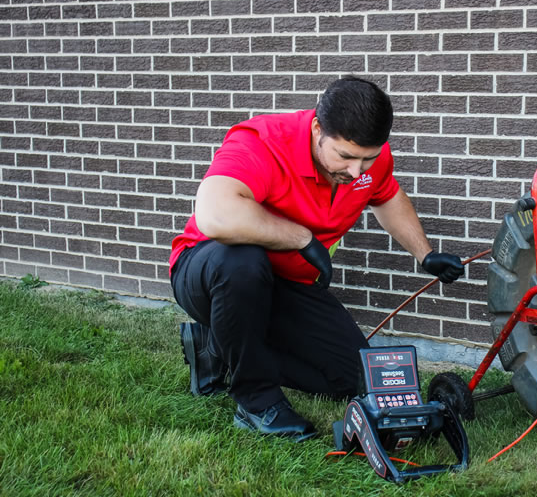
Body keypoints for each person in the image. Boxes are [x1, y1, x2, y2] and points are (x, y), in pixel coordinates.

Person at [169, 76, 464, 442]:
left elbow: (387, 196)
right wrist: (302, 239)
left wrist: (426, 254)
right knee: (243, 262)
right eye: (345, 156)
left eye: (367, 159)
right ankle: (256, 401)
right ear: (316, 129)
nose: (356, 171)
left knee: (349, 377)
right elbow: (216, 216)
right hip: (210, 272)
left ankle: (218, 344)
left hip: (285, 285)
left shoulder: (368, 160)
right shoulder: (261, 142)